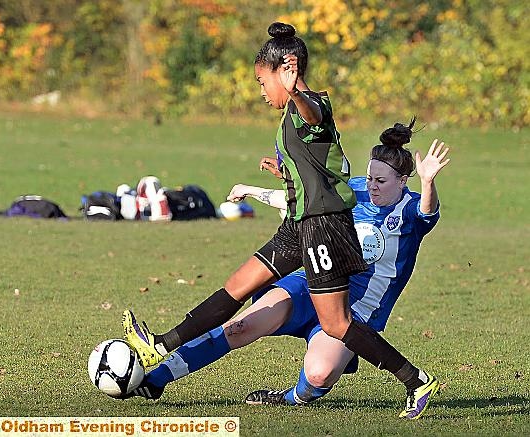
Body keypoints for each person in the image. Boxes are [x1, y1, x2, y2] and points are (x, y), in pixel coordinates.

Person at [122, 22, 438, 418]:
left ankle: (416, 380)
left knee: (338, 324)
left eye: (262, 81)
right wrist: (286, 175)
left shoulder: (310, 103)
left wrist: (295, 89)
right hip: (299, 224)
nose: (261, 90)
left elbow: (315, 117)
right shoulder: (288, 114)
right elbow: (319, 167)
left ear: (285, 70)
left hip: (324, 227)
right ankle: (161, 348)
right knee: (238, 288)